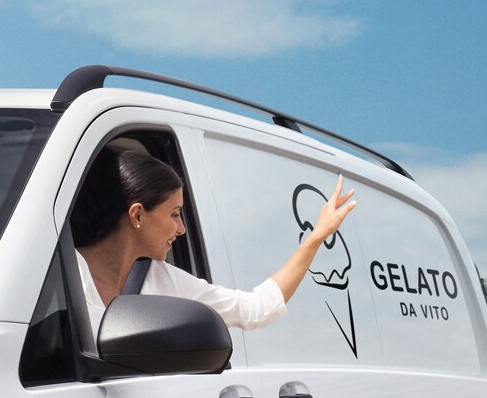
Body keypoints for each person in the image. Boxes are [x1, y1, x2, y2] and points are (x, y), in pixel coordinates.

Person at [70, 136, 355, 328]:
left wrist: (316, 237)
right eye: (174, 214)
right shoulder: (61, 272)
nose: (181, 229)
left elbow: (256, 309)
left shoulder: (164, 280)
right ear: (137, 215)